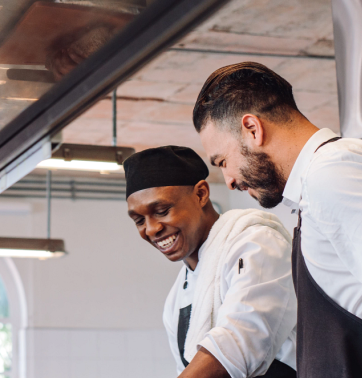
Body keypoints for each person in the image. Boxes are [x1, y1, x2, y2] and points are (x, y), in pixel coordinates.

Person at [191, 62, 362, 378]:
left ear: (253, 129)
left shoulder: (334, 172)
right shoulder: (316, 187)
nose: (228, 180)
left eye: (223, 161)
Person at [123, 146, 298, 378]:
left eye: (162, 210)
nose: (152, 229)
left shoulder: (257, 242)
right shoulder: (176, 298)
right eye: (139, 220)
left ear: (201, 194)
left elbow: (240, 342)